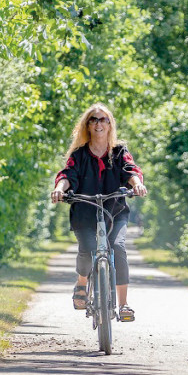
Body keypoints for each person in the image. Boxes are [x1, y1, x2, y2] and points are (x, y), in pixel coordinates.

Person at [51, 103, 147, 321]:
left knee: (118, 247)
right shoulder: (80, 154)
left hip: (115, 210)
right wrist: (59, 189)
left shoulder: (119, 151)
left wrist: (137, 184)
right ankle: (82, 284)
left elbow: (130, 170)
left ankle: (123, 305)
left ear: (110, 124)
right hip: (85, 210)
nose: (98, 123)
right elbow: (67, 174)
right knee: (87, 248)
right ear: (87, 125)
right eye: (93, 119)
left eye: (103, 119)